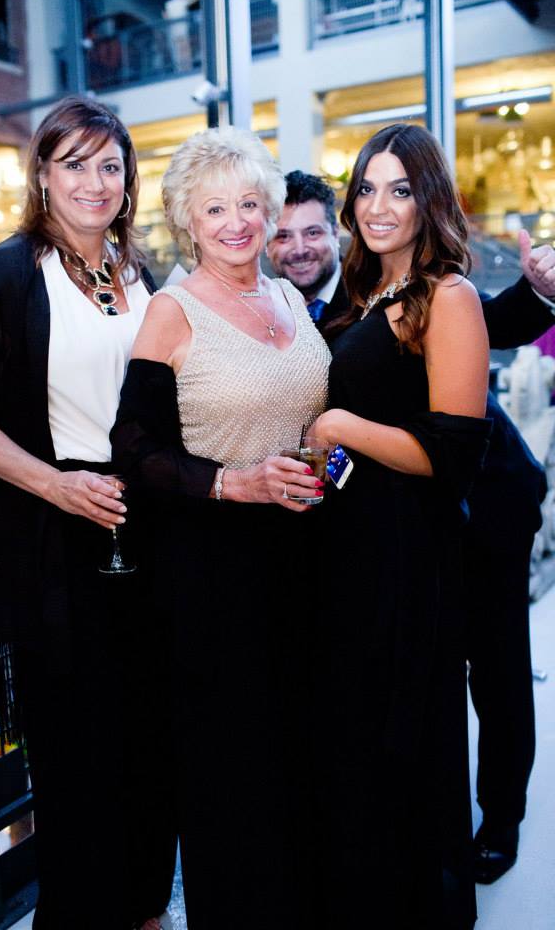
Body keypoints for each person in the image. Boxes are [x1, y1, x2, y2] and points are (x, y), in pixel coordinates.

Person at [0, 97, 175, 930]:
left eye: (110, 166)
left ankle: (145, 906)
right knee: (75, 750)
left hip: (146, 527)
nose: (94, 182)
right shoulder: (8, 274)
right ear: (42, 175)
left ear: (128, 179)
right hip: (54, 540)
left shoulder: (141, 272)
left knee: (149, 732)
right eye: (75, 164)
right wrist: (53, 484)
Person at [268, 169, 555, 883]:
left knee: (493, 663)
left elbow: (483, 325)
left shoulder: (413, 283)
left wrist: (539, 291)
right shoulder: (299, 308)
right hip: (397, 519)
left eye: (311, 231)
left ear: (331, 229)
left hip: (484, 497)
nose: (299, 247)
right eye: (283, 234)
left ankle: (501, 821)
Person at [110, 125, 332, 930]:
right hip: (213, 573)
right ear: (188, 222)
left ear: (269, 209)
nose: (235, 222)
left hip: (306, 558)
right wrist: (233, 483)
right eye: (214, 209)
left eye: (247, 203)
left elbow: (317, 410)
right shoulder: (172, 312)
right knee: (231, 770)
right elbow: (132, 448)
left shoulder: (288, 298)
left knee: (302, 753)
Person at [306, 123, 492, 929]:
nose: (378, 206)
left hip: (409, 558)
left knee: (403, 747)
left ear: (429, 200)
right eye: (366, 188)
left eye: (401, 190)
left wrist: (340, 427)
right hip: (349, 552)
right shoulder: (363, 295)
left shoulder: (447, 297)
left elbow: (454, 456)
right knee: (354, 748)